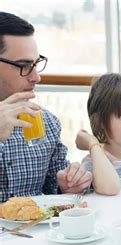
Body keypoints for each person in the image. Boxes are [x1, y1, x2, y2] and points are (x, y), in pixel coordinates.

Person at [0, 12, 92, 202]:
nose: (36, 77)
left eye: (36, 64)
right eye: (24, 65)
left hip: (35, 231)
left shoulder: (46, 123)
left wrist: (67, 183)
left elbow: (54, 187)